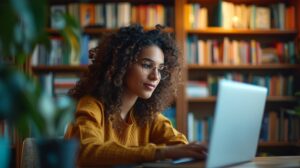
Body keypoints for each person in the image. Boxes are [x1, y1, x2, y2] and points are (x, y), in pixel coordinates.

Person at [65, 24, 206, 167]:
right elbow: (86, 152)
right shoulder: (91, 105)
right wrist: (160, 152)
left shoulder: (146, 115)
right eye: (146, 65)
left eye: (160, 69)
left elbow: (180, 146)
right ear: (121, 64)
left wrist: (195, 151)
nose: (155, 76)